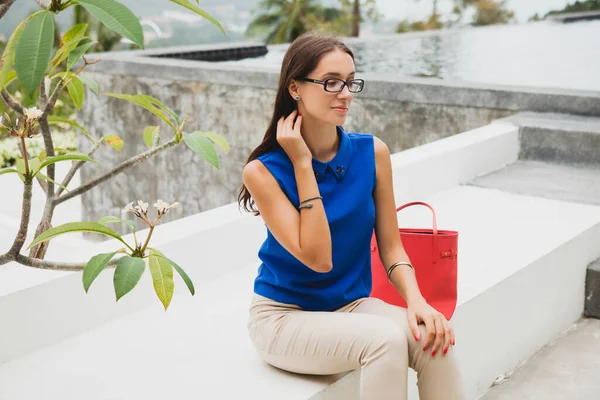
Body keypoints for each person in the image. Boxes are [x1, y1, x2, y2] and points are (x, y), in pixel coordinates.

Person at [238, 33, 466, 400]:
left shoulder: (372, 153)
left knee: (434, 338)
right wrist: (301, 162)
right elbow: (319, 258)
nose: (345, 93)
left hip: (351, 307)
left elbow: (392, 249)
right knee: (385, 341)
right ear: (295, 87)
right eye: (331, 82)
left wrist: (418, 302)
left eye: (350, 82)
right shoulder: (263, 172)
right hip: (283, 317)